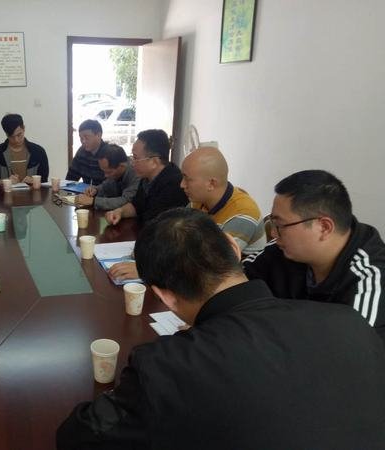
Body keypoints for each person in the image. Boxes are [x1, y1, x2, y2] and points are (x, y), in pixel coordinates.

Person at [57, 208, 385, 450]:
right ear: (234, 248)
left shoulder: (168, 367)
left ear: (164, 296)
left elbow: (79, 436)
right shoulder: (350, 323)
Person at [243, 170, 385, 339]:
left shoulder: (367, 281)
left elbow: (353, 349)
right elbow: (236, 278)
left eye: (280, 225)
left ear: (324, 228)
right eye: (273, 223)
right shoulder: (284, 249)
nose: (273, 233)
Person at [105, 129, 188, 281]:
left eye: (136, 158)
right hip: (143, 242)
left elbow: (164, 234)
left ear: (154, 161)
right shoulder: (146, 177)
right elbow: (136, 205)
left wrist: (145, 267)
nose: (132, 162)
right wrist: (120, 211)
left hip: (162, 257)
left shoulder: (174, 184)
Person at [181, 146, 266, 254]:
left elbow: (212, 260)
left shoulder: (243, 214)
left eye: (187, 179)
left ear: (211, 184)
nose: (182, 185)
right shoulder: (198, 202)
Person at [0, 114, 49, 185]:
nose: (16, 140)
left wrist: (34, 181)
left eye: (19, 135)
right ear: (6, 134)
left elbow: (44, 181)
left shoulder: (38, 151)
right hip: (6, 192)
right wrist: (5, 181)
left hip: (32, 192)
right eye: (11, 136)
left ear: (24, 128)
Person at [75, 144, 139, 210]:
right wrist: (96, 190)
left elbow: (126, 201)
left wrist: (93, 201)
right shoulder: (114, 170)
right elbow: (105, 186)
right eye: (103, 171)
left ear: (121, 166)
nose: (105, 175)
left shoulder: (136, 173)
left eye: (109, 172)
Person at [65, 119, 108, 185]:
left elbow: (112, 184)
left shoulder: (109, 153)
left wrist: (97, 189)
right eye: (81, 138)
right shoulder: (81, 152)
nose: (83, 141)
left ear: (98, 135)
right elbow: (71, 178)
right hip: (86, 190)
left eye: (87, 137)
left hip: (103, 191)